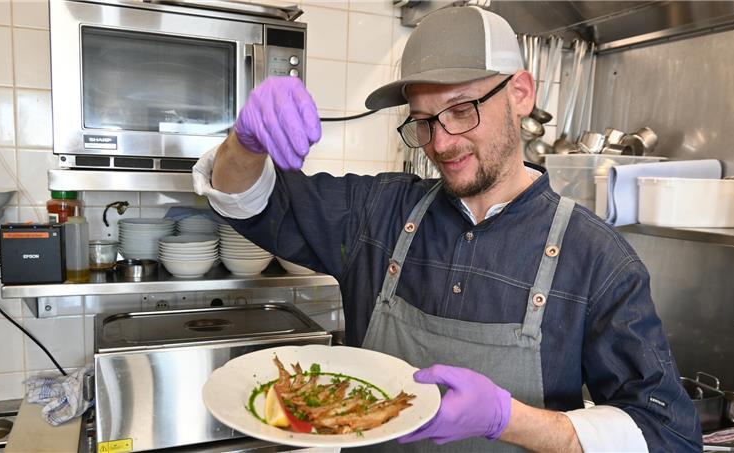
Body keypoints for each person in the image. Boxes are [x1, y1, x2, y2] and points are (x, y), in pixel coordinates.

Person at [193, 6, 701, 452]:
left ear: (520, 93)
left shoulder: (597, 259)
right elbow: (248, 202)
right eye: (423, 120)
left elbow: (666, 435)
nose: (441, 142)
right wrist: (245, 142)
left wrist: (510, 421)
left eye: (462, 110)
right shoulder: (379, 211)